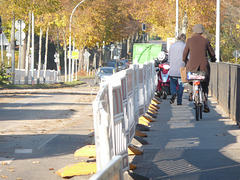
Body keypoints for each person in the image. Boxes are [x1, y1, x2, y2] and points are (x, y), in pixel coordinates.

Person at [182, 24, 216, 112]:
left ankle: (190, 93)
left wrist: (185, 60)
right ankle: (205, 102)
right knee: (204, 84)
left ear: (194, 31)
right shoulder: (205, 40)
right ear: (202, 31)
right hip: (203, 66)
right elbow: (211, 53)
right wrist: (213, 59)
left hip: (192, 66)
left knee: (189, 79)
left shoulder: (189, 40)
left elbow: (184, 54)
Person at [168, 33, 186, 105]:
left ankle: (173, 93)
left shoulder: (172, 46)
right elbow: (188, 57)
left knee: (172, 82)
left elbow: (169, 58)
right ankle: (179, 101)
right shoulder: (185, 46)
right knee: (181, 85)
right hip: (182, 68)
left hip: (173, 68)